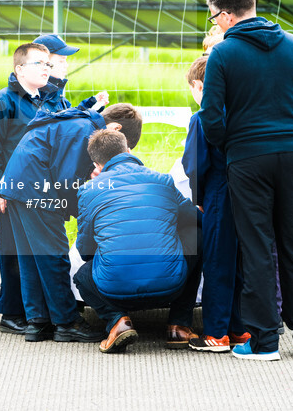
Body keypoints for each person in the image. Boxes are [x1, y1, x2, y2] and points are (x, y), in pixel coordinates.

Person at [200, 0, 293, 361]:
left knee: (256, 246)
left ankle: (264, 340)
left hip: (247, 158)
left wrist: (230, 142)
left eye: (212, 16)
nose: (213, 23)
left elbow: (211, 115)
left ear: (224, 15)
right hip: (292, 156)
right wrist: (291, 132)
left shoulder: (223, 54)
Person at [0, 103, 143, 343]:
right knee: (55, 256)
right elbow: (67, 181)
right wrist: (91, 210)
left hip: (18, 185)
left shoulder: (79, 122)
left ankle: (38, 322)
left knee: (32, 258)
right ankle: (67, 323)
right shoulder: (86, 130)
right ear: (116, 128)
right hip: (36, 188)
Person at [75, 129, 203, 353]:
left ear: (96, 164)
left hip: (114, 289)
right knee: (197, 236)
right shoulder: (162, 180)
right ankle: (179, 326)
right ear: (128, 150)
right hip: (171, 284)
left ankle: (117, 321)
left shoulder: (88, 190)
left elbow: (85, 251)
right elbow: (194, 218)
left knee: (82, 276)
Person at [0, 42, 67, 334]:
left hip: (42, 191)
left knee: (39, 252)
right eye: (39, 64)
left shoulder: (49, 99)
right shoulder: (2, 102)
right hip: (11, 192)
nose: (46, 68)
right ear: (19, 69)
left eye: (47, 64)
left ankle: (39, 310)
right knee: (14, 253)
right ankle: (11, 312)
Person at [181, 56, 249, 353]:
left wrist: (198, 198)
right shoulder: (244, 111)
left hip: (218, 193)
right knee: (241, 263)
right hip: (248, 195)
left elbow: (194, 164)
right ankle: (240, 328)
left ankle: (215, 333)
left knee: (217, 263)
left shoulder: (201, 118)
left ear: (199, 86)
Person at [33, 33, 109, 111]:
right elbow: (65, 121)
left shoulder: (54, 93)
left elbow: (68, 117)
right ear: (42, 62)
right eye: (61, 61)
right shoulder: (36, 97)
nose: (66, 65)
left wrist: (91, 104)